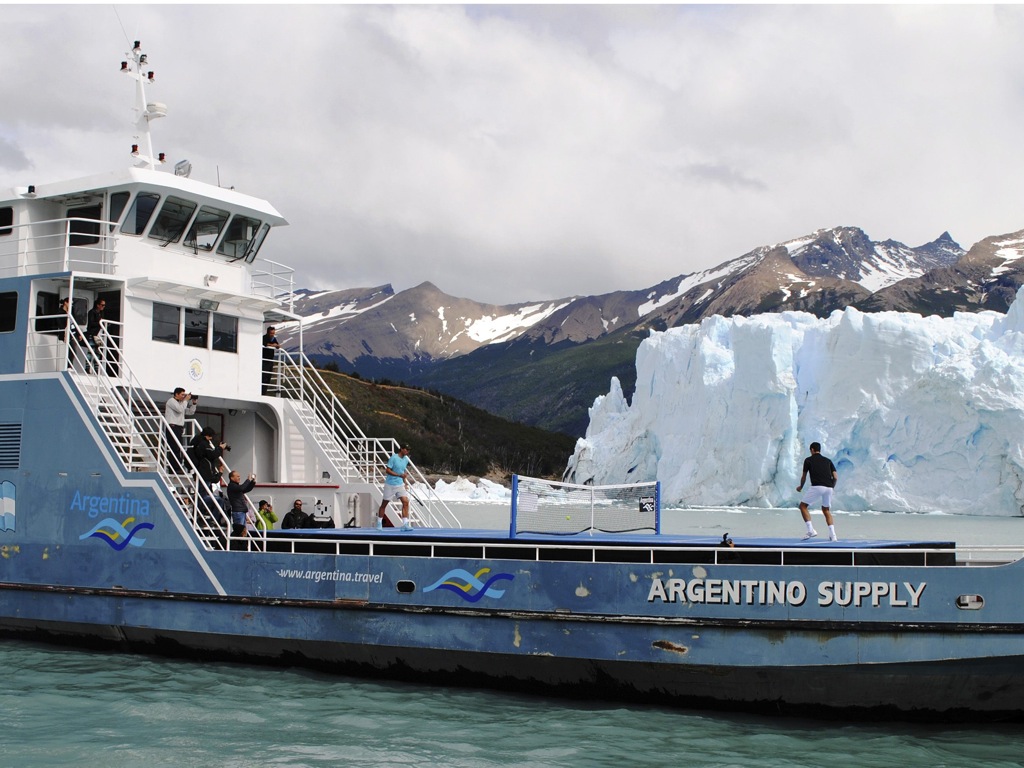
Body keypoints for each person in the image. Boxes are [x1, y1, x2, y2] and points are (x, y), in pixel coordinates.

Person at [796, 441, 839, 541]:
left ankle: (811, 530)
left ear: (812, 450)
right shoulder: (828, 461)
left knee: (803, 506)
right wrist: (831, 487)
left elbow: (804, 477)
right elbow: (835, 477)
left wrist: (800, 487)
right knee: (826, 510)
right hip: (829, 487)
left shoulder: (808, 460)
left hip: (817, 486)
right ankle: (833, 535)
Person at [377, 445, 412, 531]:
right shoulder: (393, 458)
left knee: (405, 502)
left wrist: (405, 482)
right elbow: (387, 470)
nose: (407, 451)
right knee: (384, 504)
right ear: (401, 449)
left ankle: (405, 524)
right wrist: (399, 475)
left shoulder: (406, 459)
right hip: (390, 484)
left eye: (408, 450)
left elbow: (403, 471)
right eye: (406, 449)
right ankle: (379, 523)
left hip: (400, 484)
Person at [164, 388, 197, 464]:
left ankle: (176, 466)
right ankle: (175, 468)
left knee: (178, 447)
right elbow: (180, 409)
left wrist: (194, 403)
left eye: (184, 395)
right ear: (176, 394)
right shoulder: (171, 401)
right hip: (172, 426)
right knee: (174, 447)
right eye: (182, 394)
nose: (184, 396)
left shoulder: (181, 404)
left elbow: (190, 412)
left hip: (179, 428)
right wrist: (186, 400)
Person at [227, 470, 257, 538]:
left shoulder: (236, 487)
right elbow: (242, 488)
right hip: (237, 512)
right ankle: (237, 544)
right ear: (231, 478)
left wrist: (252, 482)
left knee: (243, 531)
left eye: (239, 476)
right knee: (239, 531)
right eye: (237, 476)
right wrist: (248, 480)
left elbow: (246, 489)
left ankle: (242, 544)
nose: (239, 478)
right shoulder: (231, 486)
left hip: (241, 512)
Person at [85, 298, 106, 368]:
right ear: (98, 305)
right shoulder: (92, 312)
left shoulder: (101, 313)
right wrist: (100, 323)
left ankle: (97, 368)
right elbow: (91, 323)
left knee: (98, 351)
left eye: (104, 305)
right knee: (90, 351)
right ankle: (87, 368)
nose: (103, 307)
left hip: (98, 335)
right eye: (102, 305)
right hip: (92, 334)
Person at [262, 326, 280, 395]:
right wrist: (273, 345)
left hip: (270, 360)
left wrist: (277, 345)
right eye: (271, 333)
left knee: (268, 377)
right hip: (264, 360)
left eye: (273, 333)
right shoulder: (264, 337)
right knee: (264, 376)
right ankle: (262, 392)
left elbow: (277, 345)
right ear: (268, 333)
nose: (272, 334)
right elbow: (265, 344)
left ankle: (265, 392)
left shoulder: (273, 338)